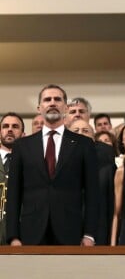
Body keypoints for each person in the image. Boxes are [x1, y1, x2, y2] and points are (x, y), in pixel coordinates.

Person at [6, 84, 99, 246]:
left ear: (65, 107)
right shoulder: (22, 146)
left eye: (57, 99)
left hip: (71, 232)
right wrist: (13, 236)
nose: (52, 103)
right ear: (39, 108)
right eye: (47, 99)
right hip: (31, 232)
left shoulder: (83, 144)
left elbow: (92, 193)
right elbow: (13, 193)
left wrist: (89, 234)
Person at [0, 112, 25, 245]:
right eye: (5, 126)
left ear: (23, 134)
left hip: (20, 238)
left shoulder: (30, 163)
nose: (9, 129)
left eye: (15, 126)